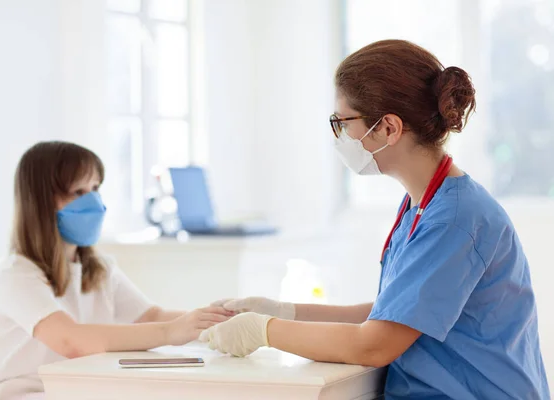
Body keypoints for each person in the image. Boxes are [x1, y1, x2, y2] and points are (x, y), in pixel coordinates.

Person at [201, 40, 550, 399]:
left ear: (388, 128)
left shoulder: (455, 220)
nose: (339, 137)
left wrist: (265, 330)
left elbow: (375, 344)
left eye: (342, 122)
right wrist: (285, 311)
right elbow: (395, 314)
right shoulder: (422, 204)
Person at [0, 141, 232, 400]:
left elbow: (151, 316)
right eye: (78, 192)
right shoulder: (13, 275)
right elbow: (70, 340)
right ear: (40, 203)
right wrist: (171, 332)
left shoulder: (99, 270)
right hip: (5, 394)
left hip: (62, 390)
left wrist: (222, 319)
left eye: (95, 188)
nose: (94, 202)